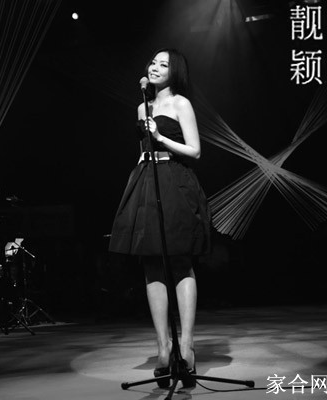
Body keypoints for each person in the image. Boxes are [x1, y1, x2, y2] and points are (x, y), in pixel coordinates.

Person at [108, 48, 210, 388]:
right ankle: (163, 348)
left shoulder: (181, 104)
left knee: (180, 261)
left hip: (175, 179)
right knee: (151, 263)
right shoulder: (142, 107)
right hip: (146, 179)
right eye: (153, 62)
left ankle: (187, 346)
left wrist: (161, 136)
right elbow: (142, 150)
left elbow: (195, 150)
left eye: (163, 64)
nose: (155, 67)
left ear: (174, 72)